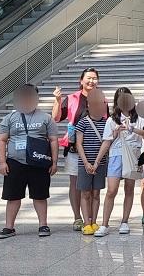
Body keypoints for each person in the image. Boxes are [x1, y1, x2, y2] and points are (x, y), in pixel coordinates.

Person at [0, 84, 59, 239]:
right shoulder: (9, 118)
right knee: (13, 196)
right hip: (15, 162)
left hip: (39, 162)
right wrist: (2, 162)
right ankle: (9, 227)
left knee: (40, 195)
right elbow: (2, 140)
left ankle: (43, 225)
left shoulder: (46, 118)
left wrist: (54, 162)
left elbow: (53, 140)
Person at [93, 88, 144, 237]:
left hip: (133, 154)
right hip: (116, 155)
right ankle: (104, 224)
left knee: (129, 188)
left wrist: (132, 129)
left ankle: (124, 221)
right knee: (111, 190)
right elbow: (106, 141)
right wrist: (97, 161)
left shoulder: (139, 118)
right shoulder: (112, 120)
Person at [51, 67, 100, 231]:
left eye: (94, 78)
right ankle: (77, 217)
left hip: (94, 148)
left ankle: (91, 218)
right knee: (75, 183)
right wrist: (57, 100)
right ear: (81, 80)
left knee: (93, 185)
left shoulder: (101, 99)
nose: (91, 81)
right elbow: (56, 118)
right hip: (74, 149)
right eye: (88, 78)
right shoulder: (72, 98)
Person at [75, 90, 109, 235]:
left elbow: (107, 142)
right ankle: (86, 223)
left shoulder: (107, 123)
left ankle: (94, 221)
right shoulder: (83, 122)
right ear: (88, 105)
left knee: (96, 193)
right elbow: (78, 144)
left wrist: (96, 163)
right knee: (85, 193)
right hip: (84, 163)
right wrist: (86, 163)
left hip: (100, 163)